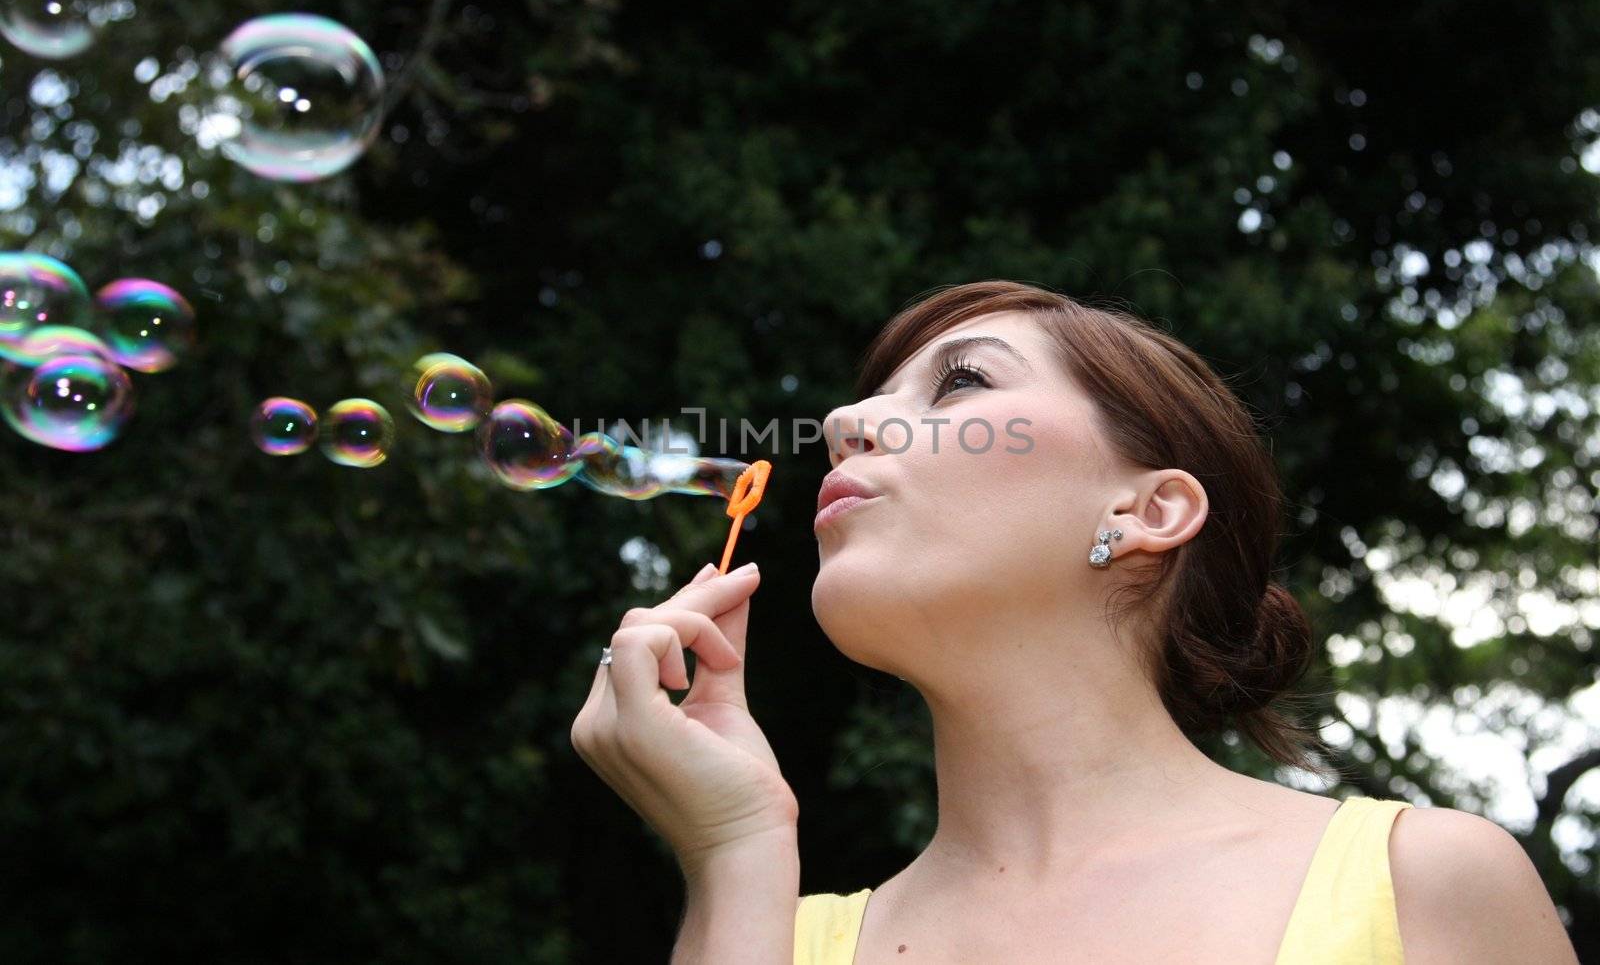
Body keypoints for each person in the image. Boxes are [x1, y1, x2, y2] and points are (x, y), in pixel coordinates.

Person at [569, 280, 1579, 964]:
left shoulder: (1424, 886)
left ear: (1146, 510)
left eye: (961, 382)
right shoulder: (770, 931)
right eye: (868, 397)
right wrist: (735, 849)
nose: (843, 422)